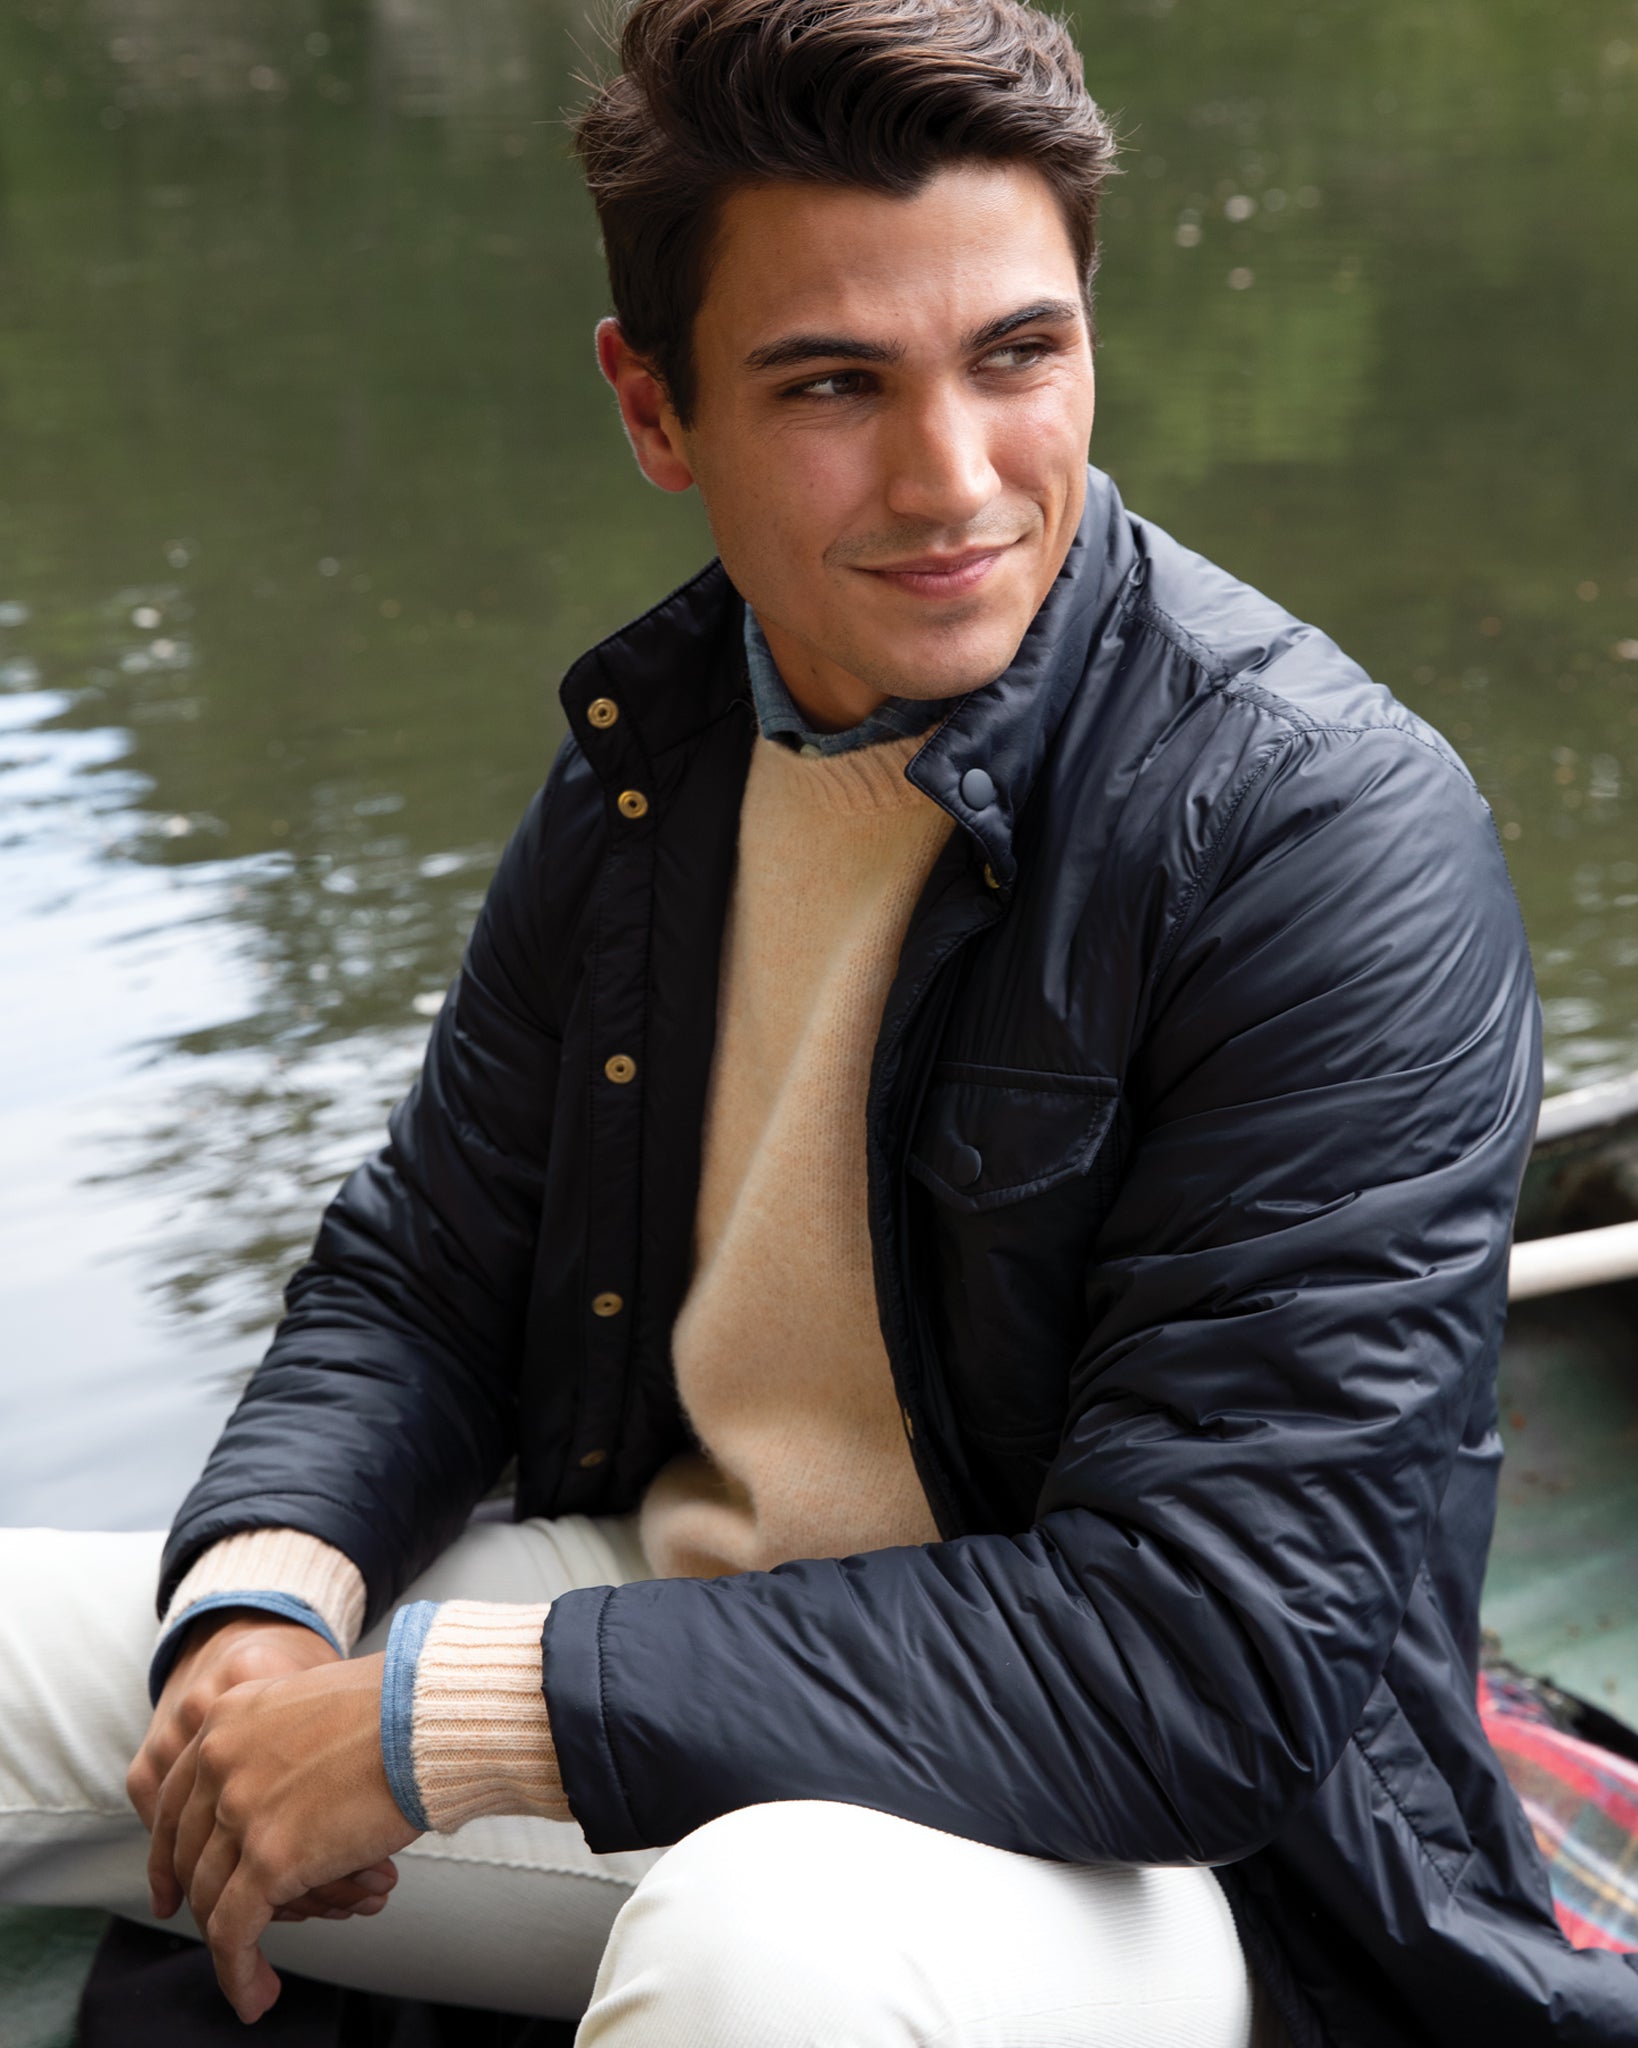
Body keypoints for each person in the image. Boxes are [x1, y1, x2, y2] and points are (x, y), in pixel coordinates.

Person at [3, 0, 1635, 2039]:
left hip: (1157, 1854)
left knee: (763, 1942)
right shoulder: (655, 762)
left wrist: (438, 1718)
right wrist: (264, 1607)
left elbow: (1206, 1657)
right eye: (833, 383)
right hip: (668, 1668)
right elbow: (424, 1271)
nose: (954, 478)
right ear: (652, 405)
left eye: (1018, 353)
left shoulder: (1317, 837)